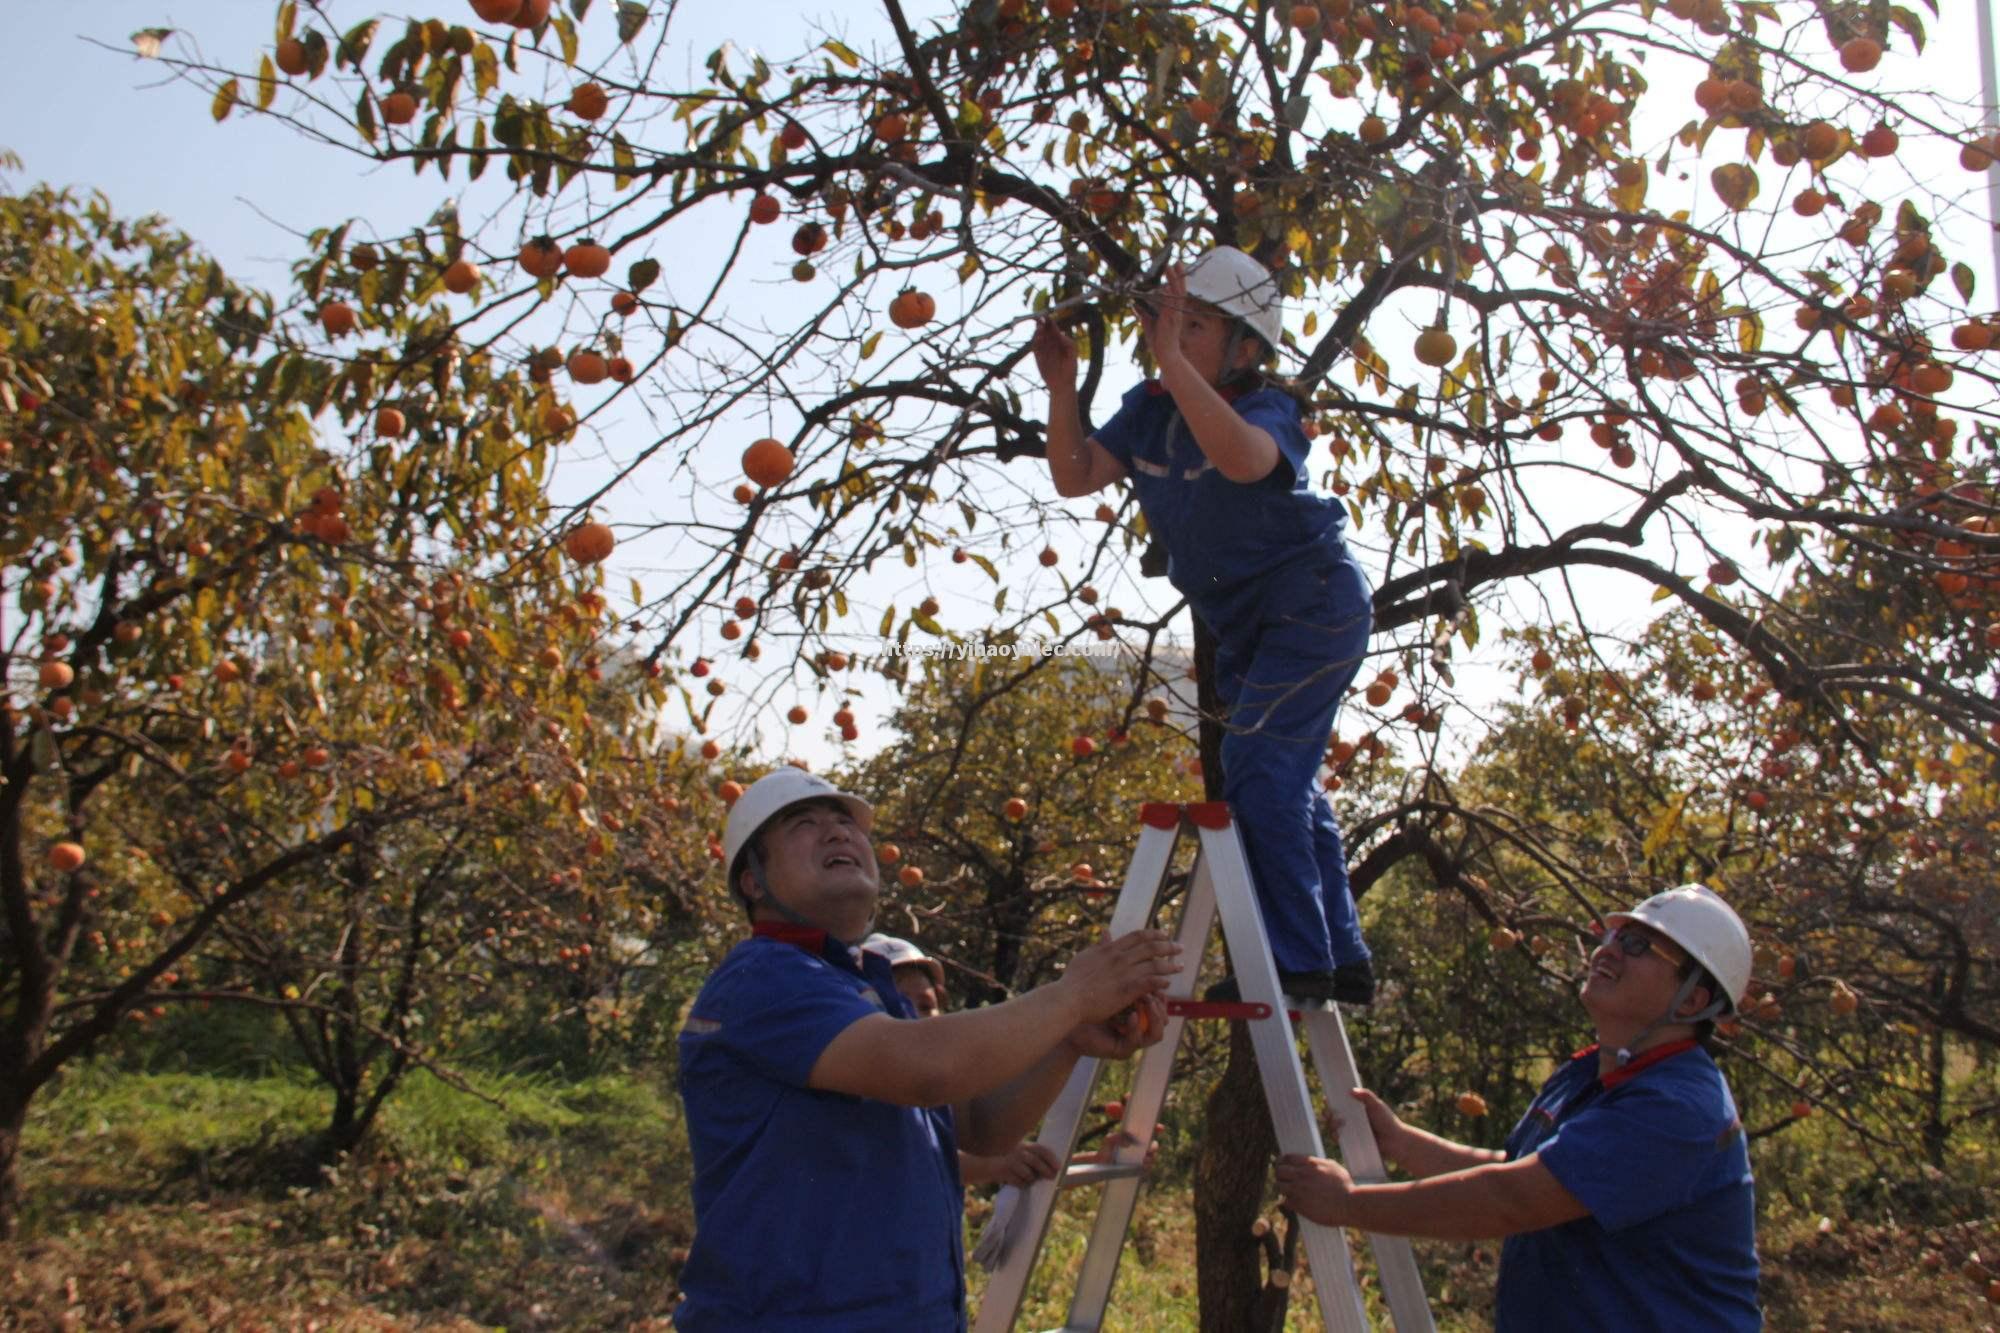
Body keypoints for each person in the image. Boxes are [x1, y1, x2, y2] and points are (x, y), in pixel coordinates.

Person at [673, 768, 1180, 1330]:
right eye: (804, 824)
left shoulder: (863, 988)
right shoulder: (764, 977)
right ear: (752, 880)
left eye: (846, 823)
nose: (839, 833)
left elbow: (980, 1125)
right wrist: (1075, 995)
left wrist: (1069, 1041)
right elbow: (926, 1069)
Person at [1032, 244, 1376, 1006]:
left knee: (1258, 770)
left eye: (1191, 326)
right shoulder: (1149, 412)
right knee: (1290, 783)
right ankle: (1338, 952)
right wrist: (1062, 386)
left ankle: (1295, 964)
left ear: (1245, 347)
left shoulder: (1266, 409)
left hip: (1314, 605)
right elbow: (1075, 475)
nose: (1165, 337)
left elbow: (1248, 462)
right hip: (1246, 622)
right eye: (1163, 320)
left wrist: (1178, 370)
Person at [1274, 884, 1762, 1331]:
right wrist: (1402, 1141)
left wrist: (1347, 1204)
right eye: (1614, 934)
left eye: (1637, 945)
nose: (1609, 950)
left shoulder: (1677, 1107)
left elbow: (1515, 1198)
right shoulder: (1591, 1073)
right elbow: (1524, 1171)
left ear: (1693, 998)